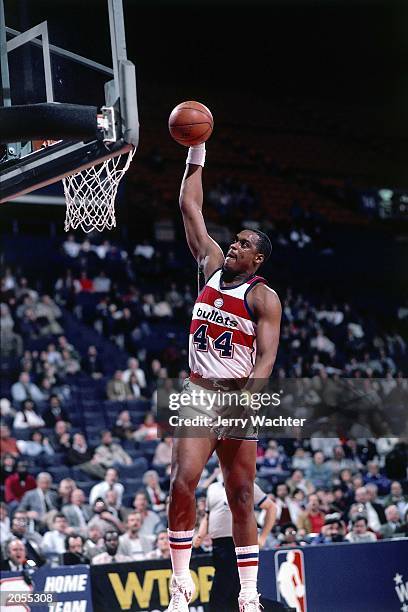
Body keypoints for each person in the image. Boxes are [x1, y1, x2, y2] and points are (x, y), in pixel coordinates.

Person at [167, 142, 281, 612]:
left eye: (244, 245)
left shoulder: (263, 298)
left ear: (257, 260)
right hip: (198, 392)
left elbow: (266, 361)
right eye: (234, 240)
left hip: (238, 399)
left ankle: (249, 594)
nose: (234, 245)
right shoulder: (210, 266)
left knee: (239, 496)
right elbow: (189, 206)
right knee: (182, 482)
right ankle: (180, 584)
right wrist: (197, 151)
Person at [195, 477, 276, 612]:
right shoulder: (212, 488)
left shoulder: (246, 485)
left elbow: (271, 507)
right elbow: (208, 516)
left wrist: (263, 537)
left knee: (221, 589)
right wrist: (200, 535)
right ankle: (279, 609)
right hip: (218, 544)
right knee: (235, 591)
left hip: (238, 542)